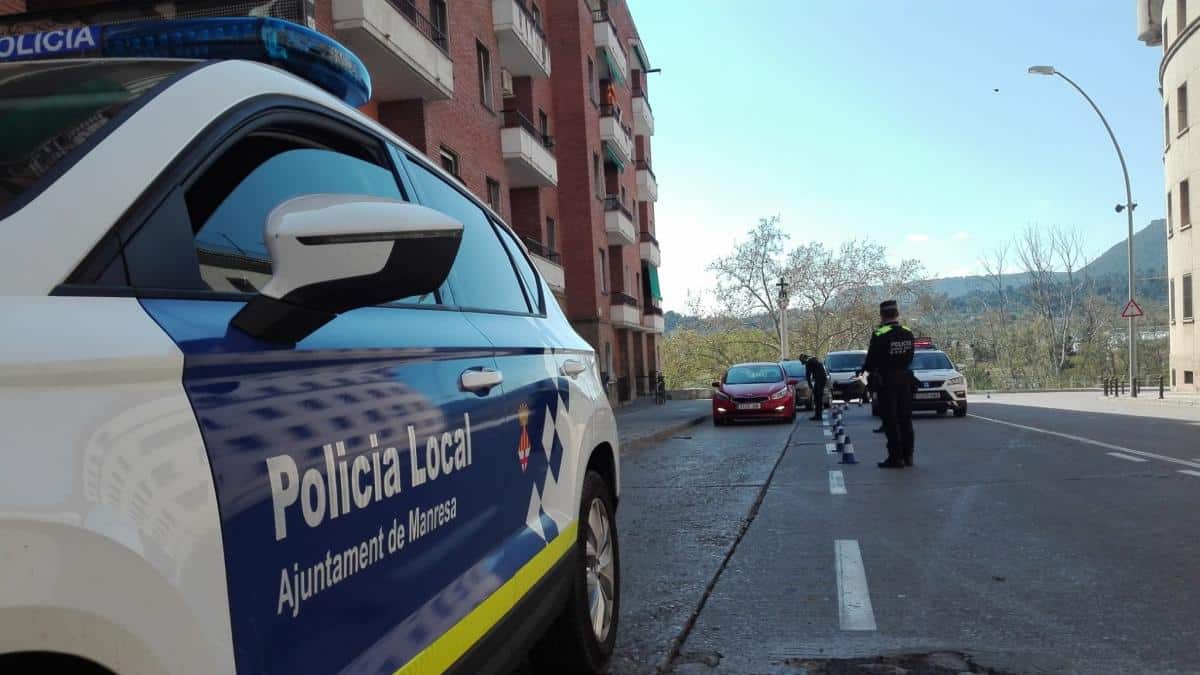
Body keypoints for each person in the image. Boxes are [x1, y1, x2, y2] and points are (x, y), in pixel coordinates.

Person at [862, 300, 915, 468]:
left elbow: (871, 361)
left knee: (891, 420)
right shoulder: (908, 332)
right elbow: (911, 357)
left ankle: (895, 457)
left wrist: (866, 370)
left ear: (882, 315)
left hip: (887, 381)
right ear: (897, 314)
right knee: (905, 418)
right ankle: (908, 456)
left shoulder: (880, 334)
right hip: (905, 379)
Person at [805, 353, 827, 421]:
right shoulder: (814, 360)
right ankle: (818, 415)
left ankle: (818, 415)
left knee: (817, 398)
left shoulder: (809, 362)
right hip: (822, 379)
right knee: (818, 397)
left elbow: (808, 375)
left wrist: (810, 385)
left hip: (819, 380)